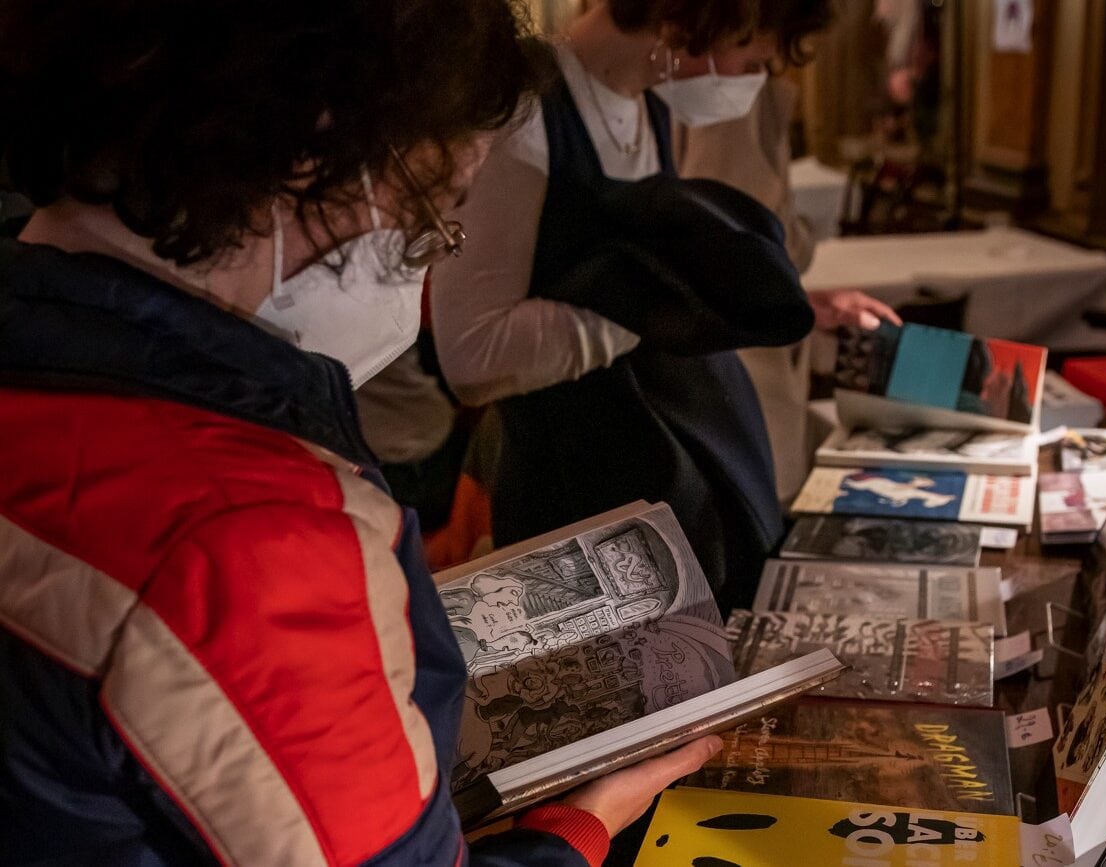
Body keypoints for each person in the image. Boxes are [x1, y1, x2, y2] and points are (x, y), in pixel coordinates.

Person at [0, 1, 720, 863]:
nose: (425, 257)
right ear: (316, 153)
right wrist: (579, 826)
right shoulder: (249, 533)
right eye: (433, 213)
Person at [431, 0, 822, 611]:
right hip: (575, 500)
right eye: (753, 57)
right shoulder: (526, 113)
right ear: (704, 22)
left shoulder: (645, 102)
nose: (753, 77)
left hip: (647, 474)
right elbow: (472, 353)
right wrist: (655, 307)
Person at [675, 0, 902, 501]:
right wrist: (795, 265)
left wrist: (811, 302)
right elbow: (737, 247)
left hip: (742, 369)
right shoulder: (728, 96)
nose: (759, 72)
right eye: (756, 63)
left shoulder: (734, 83)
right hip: (732, 385)